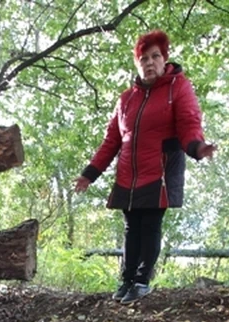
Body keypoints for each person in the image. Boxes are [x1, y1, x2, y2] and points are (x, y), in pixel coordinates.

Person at [74, 30, 216, 304]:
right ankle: (127, 280)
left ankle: (141, 281)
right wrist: (89, 174)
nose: (149, 63)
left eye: (155, 57)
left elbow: (189, 124)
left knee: (150, 224)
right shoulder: (126, 99)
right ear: (137, 63)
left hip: (159, 171)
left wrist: (198, 148)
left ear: (165, 59)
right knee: (131, 228)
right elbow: (112, 140)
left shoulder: (179, 87)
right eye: (143, 58)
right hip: (128, 173)